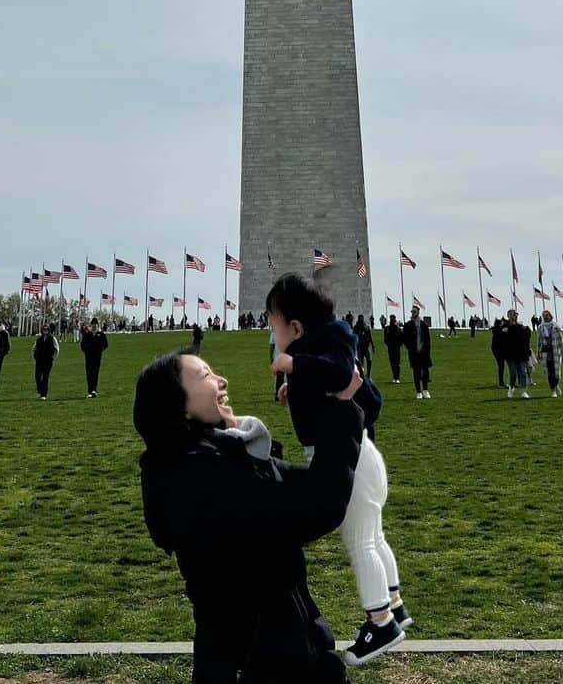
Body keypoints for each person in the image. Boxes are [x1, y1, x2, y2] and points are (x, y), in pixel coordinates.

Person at [135, 346, 363, 684]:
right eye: (205, 376)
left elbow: (314, 482)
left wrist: (320, 406)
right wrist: (341, 411)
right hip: (258, 666)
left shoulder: (221, 459)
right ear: (179, 405)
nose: (222, 380)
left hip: (284, 656)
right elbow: (319, 505)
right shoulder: (197, 475)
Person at [268, 274, 408, 666]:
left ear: (295, 327)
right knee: (375, 537)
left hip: (350, 460)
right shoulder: (326, 341)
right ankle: (394, 605)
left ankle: (380, 622)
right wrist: (293, 386)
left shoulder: (323, 345)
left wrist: (294, 364)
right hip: (362, 454)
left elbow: (339, 371)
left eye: (273, 326)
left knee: (360, 541)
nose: (273, 335)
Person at [536, 309, 563, 398]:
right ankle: (553, 390)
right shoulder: (540, 327)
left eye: (547, 315)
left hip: (556, 352)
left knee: (557, 373)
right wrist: (538, 353)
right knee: (549, 373)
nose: (546, 317)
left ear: (550, 316)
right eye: (544, 315)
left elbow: (561, 341)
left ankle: (556, 385)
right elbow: (539, 341)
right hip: (546, 352)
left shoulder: (556, 326)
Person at [404, 305, 432, 399]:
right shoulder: (408, 325)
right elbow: (405, 339)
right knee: (416, 372)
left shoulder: (424, 325)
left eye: (414, 312)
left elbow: (428, 340)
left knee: (425, 372)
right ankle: (418, 392)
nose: (413, 313)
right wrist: (410, 348)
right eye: (412, 312)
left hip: (423, 353)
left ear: (418, 312)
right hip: (414, 353)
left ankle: (425, 390)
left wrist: (426, 349)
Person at [503, 310, 532, 399]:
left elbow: (527, 336)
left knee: (523, 373)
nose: (514, 316)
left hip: (521, 354)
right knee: (513, 373)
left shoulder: (521, 327)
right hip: (510, 355)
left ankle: (523, 391)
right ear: (508, 316)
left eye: (515, 315)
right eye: (512, 315)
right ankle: (511, 388)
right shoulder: (504, 326)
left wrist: (525, 329)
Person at [79, 319, 109, 397]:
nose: (94, 326)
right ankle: (89, 391)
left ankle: (94, 390)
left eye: (95, 324)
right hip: (88, 357)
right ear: (91, 325)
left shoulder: (101, 334)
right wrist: (86, 350)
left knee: (95, 373)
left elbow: (106, 344)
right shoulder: (87, 334)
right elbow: (82, 345)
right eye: (93, 324)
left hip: (97, 357)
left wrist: (100, 350)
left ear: (97, 325)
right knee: (89, 373)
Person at [33, 323, 60, 400]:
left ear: (49, 330)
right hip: (39, 360)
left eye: (47, 329)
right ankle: (40, 391)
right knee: (37, 376)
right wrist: (35, 357)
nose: (45, 331)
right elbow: (34, 348)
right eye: (44, 329)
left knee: (45, 377)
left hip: (48, 361)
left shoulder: (52, 338)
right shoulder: (39, 339)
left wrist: (53, 357)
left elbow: (57, 349)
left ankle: (44, 394)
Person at [384, 314, 403, 384]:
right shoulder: (387, 328)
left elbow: (401, 338)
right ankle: (394, 376)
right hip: (390, 347)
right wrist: (388, 344)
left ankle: (397, 377)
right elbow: (385, 339)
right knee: (392, 363)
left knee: (397, 363)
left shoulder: (398, 329)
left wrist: (399, 345)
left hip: (396, 348)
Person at [490, 316, 508, 386]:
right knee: (501, 365)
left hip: (499, 350)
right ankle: (501, 381)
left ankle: (501, 381)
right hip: (498, 350)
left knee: (501, 366)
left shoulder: (497, 330)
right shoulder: (498, 330)